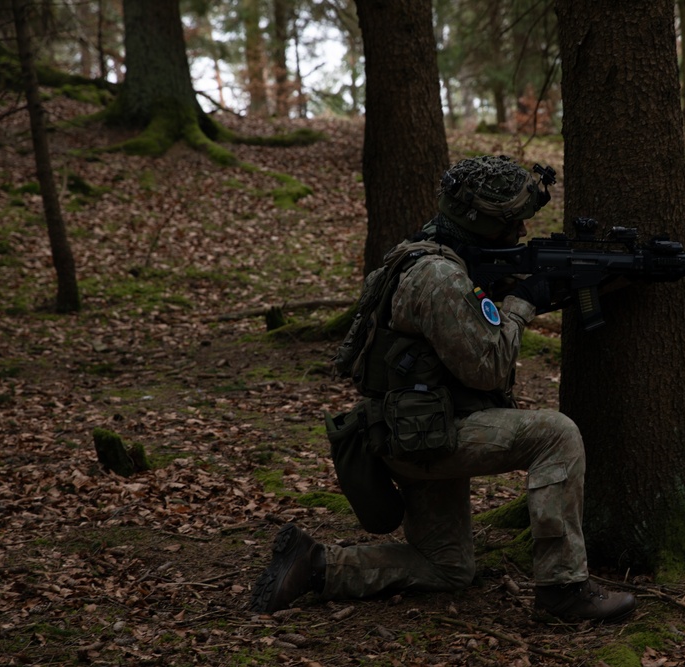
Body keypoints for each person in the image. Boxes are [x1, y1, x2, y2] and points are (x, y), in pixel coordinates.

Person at [250, 155, 636, 623]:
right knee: (557, 435)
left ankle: (315, 565)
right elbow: (489, 368)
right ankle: (564, 590)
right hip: (427, 438)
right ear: (480, 222)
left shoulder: (424, 253)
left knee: (446, 567)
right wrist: (523, 302)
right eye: (511, 222)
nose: (520, 231)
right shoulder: (439, 277)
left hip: (410, 430)